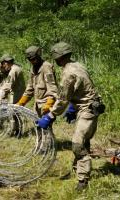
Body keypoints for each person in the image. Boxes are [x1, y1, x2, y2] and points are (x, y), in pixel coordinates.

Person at [36, 42, 105, 190]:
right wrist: (73, 107)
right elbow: (83, 88)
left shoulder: (68, 72)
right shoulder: (77, 65)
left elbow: (62, 98)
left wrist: (50, 116)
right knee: (84, 141)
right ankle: (78, 169)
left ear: (58, 57)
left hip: (87, 109)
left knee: (77, 143)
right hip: (88, 107)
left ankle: (83, 180)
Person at [16, 46, 59, 117]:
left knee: (45, 126)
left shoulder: (46, 67)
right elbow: (30, 88)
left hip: (46, 103)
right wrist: (21, 102)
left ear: (38, 56)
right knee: (37, 125)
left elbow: (52, 87)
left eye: (33, 59)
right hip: (37, 104)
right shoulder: (33, 68)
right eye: (30, 60)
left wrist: (49, 103)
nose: (32, 61)